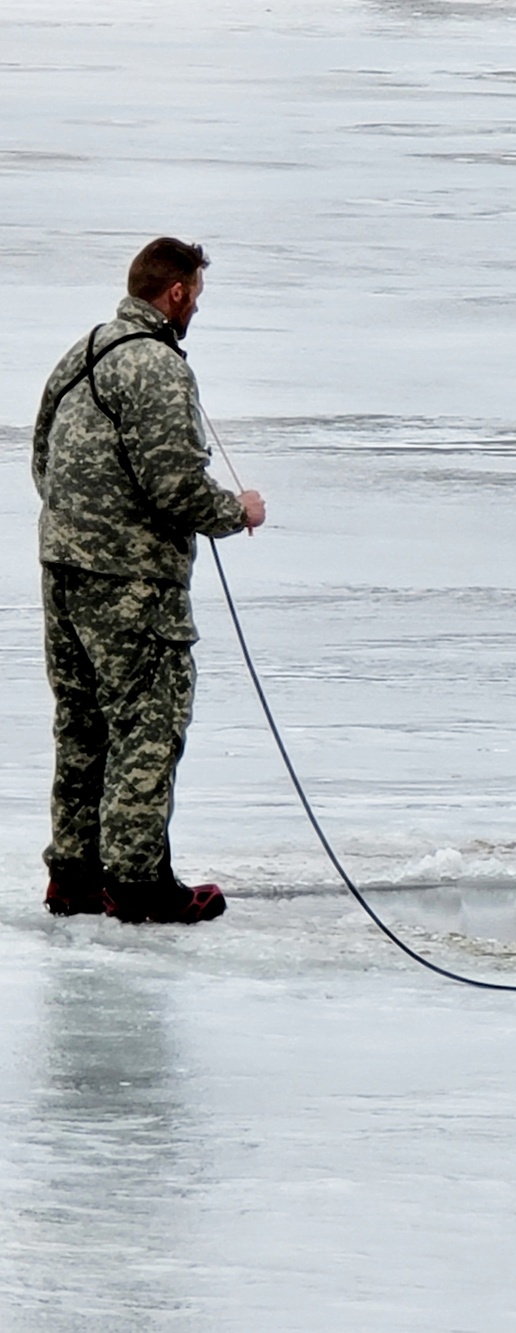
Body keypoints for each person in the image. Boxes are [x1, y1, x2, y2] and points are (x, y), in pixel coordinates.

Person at [32, 237, 266, 924]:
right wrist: (237, 511)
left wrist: (77, 530)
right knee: (146, 722)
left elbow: (40, 456)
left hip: (63, 569)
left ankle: (73, 876)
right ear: (176, 294)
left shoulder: (83, 353)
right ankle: (136, 883)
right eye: (196, 293)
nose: (197, 306)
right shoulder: (157, 367)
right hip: (132, 582)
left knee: (82, 725)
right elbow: (174, 487)